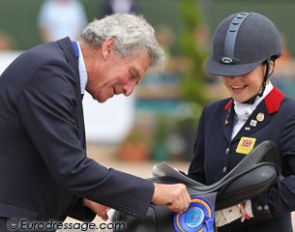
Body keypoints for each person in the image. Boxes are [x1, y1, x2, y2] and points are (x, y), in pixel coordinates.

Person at [0, 13, 191, 231]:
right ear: (108, 47)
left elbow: (44, 160)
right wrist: (154, 192)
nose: (129, 91)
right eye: (131, 74)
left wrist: (87, 198)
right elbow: (71, 167)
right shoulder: (50, 71)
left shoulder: (58, 68)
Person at [187, 11, 295, 232]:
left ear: (268, 66)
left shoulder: (288, 114)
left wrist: (250, 208)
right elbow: (198, 177)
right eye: (226, 72)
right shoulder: (212, 113)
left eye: (243, 71)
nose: (233, 80)